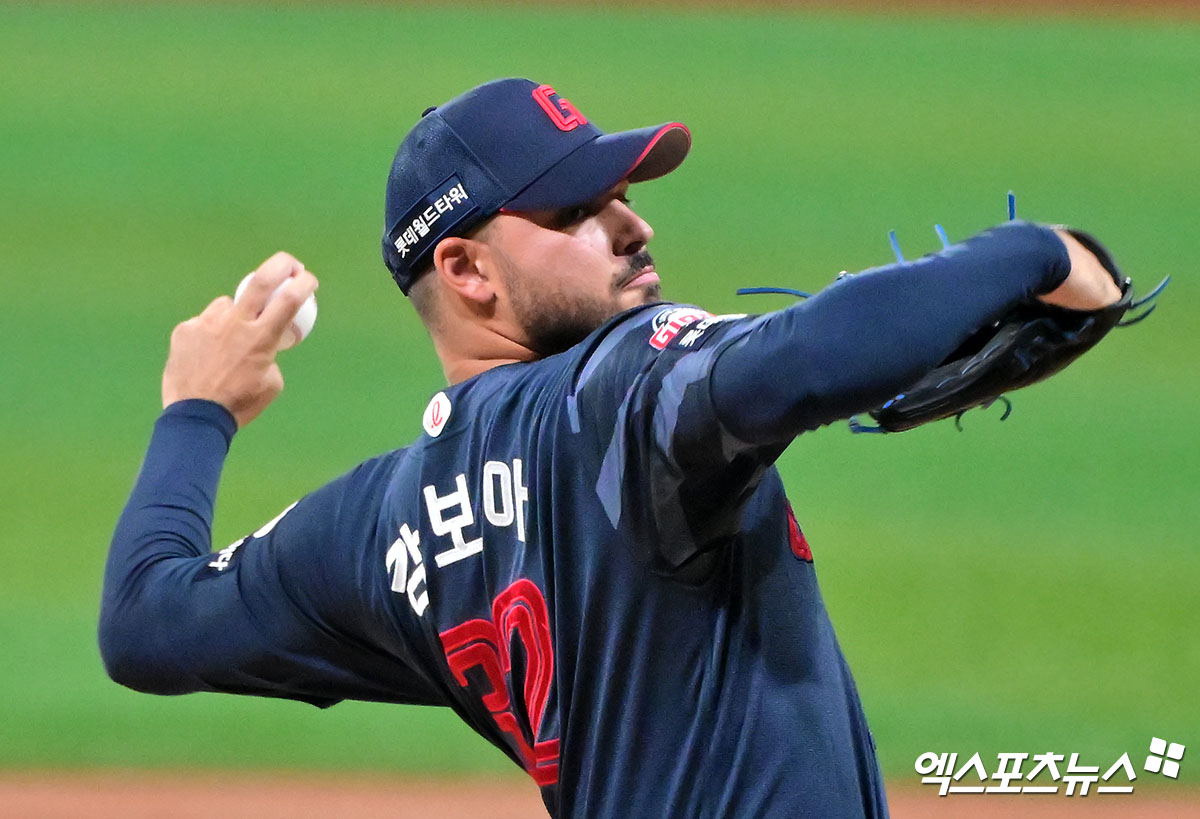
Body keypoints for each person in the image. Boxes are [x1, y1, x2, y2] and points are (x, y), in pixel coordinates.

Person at [100, 78, 1121, 818]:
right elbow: (802, 361)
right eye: (579, 209)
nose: (632, 225)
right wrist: (1040, 252)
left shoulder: (383, 530)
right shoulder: (620, 391)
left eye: (623, 194)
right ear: (467, 270)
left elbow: (147, 620)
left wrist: (199, 410)